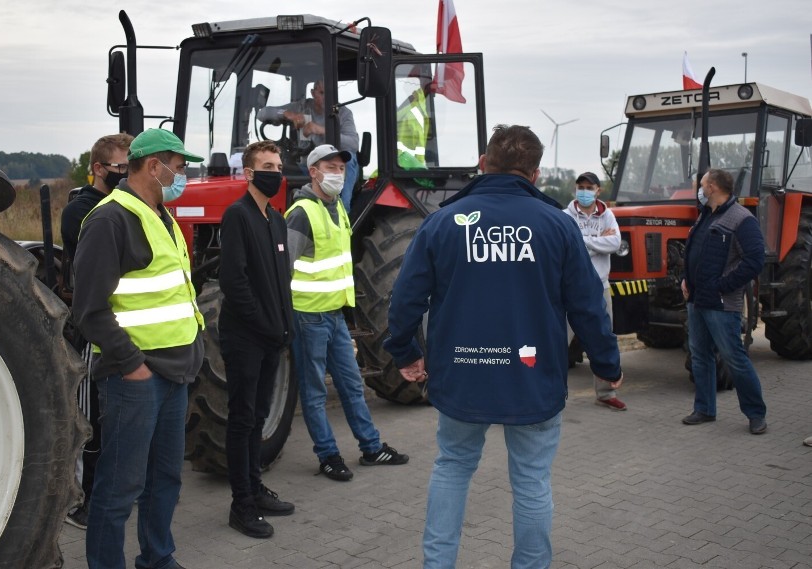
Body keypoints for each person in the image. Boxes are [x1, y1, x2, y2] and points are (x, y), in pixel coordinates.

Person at [383, 125, 623, 568]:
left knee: (453, 466)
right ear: (533, 175)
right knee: (532, 480)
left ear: (482, 164)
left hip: (461, 372)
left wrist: (405, 352)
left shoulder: (442, 222)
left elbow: (405, 299)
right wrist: (607, 363)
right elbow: (589, 305)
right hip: (532, 376)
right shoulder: (558, 225)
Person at [73, 128, 205, 569]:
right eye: (179, 166)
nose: (182, 175)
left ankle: (157, 558)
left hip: (174, 373)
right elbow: (88, 310)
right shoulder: (110, 219)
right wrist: (133, 366)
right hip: (136, 378)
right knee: (119, 487)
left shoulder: (161, 215)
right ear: (154, 166)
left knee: (165, 478)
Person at [285, 143, 409, 482]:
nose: (337, 174)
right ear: (313, 171)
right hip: (308, 316)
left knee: (352, 385)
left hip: (336, 315)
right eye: (329, 167)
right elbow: (284, 268)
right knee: (314, 392)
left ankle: (371, 448)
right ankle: (328, 456)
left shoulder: (338, 207)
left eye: (341, 168)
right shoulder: (301, 213)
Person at [218, 141, 295, 539]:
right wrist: (266, 325)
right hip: (246, 337)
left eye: (279, 165)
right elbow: (234, 282)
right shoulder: (237, 216)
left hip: (271, 337)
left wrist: (285, 326)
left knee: (258, 418)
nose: (276, 172)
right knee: (243, 419)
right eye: (267, 165)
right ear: (248, 173)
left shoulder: (276, 219)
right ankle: (241, 504)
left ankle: (256, 488)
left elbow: (281, 282)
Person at [60, 133, 133, 530]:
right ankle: (81, 498)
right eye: (122, 165)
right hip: (95, 326)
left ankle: (113, 489)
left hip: (126, 322)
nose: (128, 172)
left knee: (117, 416)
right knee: (92, 419)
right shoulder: (82, 210)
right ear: (100, 169)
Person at [681, 168, 767, 434]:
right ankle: (705, 409)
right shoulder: (705, 216)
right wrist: (686, 279)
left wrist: (723, 285)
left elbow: (754, 260)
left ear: (713, 187)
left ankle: (755, 414)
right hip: (696, 299)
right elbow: (694, 252)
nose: (698, 188)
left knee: (733, 357)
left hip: (721, 303)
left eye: (701, 184)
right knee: (700, 355)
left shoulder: (742, 219)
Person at [563, 171, 627, 411]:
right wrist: (597, 240)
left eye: (590, 187)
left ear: (598, 190)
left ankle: (606, 392)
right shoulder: (565, 215)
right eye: (581, 186)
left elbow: (615, 243)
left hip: (600, 285)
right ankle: (550, 389)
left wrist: (584, 241)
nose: (585, 191)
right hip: (570, 287)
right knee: (559, 338)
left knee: (603, 339)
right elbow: (565, 245)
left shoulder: (607, 215)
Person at [257, 79, 360, 211]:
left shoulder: (344, 113)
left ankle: (342, 209)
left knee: (349, 158)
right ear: (313, 93)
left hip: (333, 169)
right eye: (322, 93)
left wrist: (320, 130)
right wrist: (286, 114)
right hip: (306, 166)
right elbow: (262, 113)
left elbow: (353, 143)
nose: (327, 98)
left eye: (331, 94)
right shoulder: (302, 107)